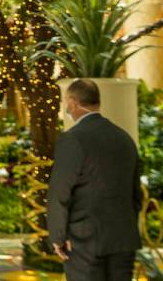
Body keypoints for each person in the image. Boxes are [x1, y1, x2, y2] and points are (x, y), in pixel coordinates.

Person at [47, 78, 142, 280]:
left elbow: (59, 193)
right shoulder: (124, 138)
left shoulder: (72, 139)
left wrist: (58, 237)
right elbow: (136, 193)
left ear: (72, 103)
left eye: (66, 103)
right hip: (123, 238)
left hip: (84, 241)